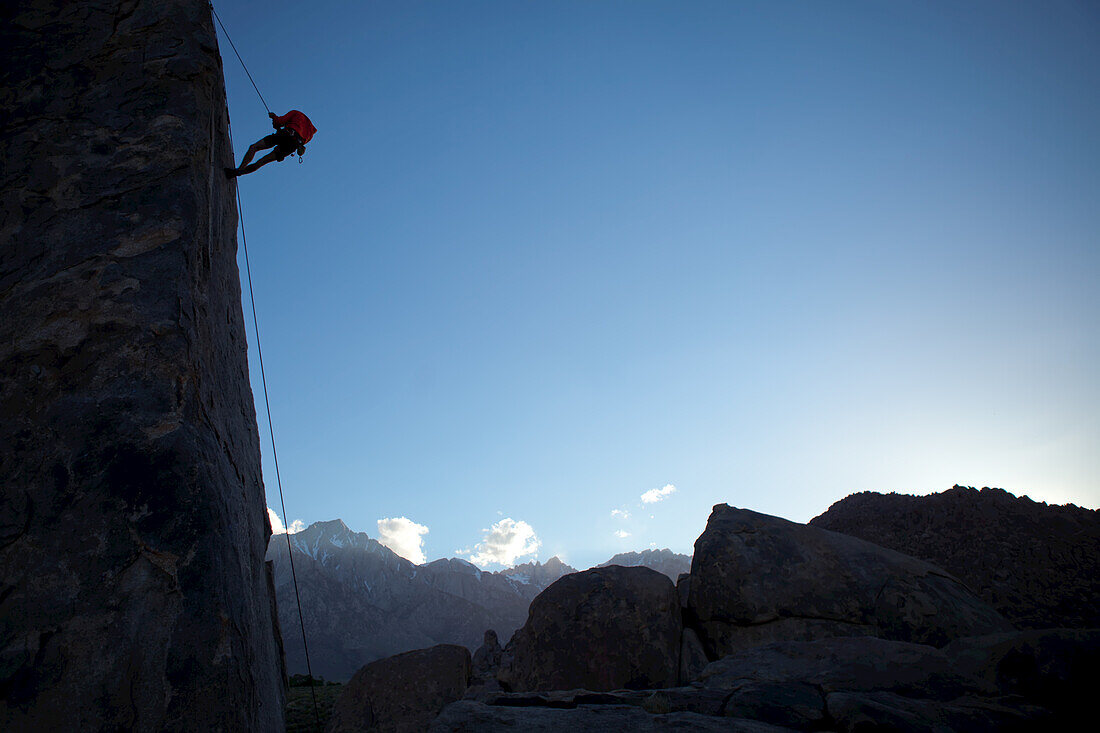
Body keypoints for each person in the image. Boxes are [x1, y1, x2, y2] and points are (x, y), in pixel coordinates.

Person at [226, 109, 317, 178]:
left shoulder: (296, 113)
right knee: (261, 162)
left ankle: (239, 170)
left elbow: (279, 122)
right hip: (292, 146)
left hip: (285, 134)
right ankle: (239, 173)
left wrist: (274, 117)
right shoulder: (310, 133)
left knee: (254, 147)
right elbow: (302, 142)